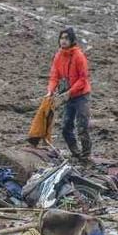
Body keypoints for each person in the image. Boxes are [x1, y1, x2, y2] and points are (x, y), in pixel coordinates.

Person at [44, 27, 92, 162]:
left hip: (81, 95)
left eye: (66, 38)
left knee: (82, 126)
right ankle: (76, 153)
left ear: (72, 41)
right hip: (68, 95)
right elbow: (54, 76)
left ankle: (86, 154)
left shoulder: (79, 56)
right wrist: (50, 91)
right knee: (66, 127)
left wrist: (70, 92)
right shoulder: (58, 56)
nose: (63, 41)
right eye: (61, 38)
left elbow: (83, 79)